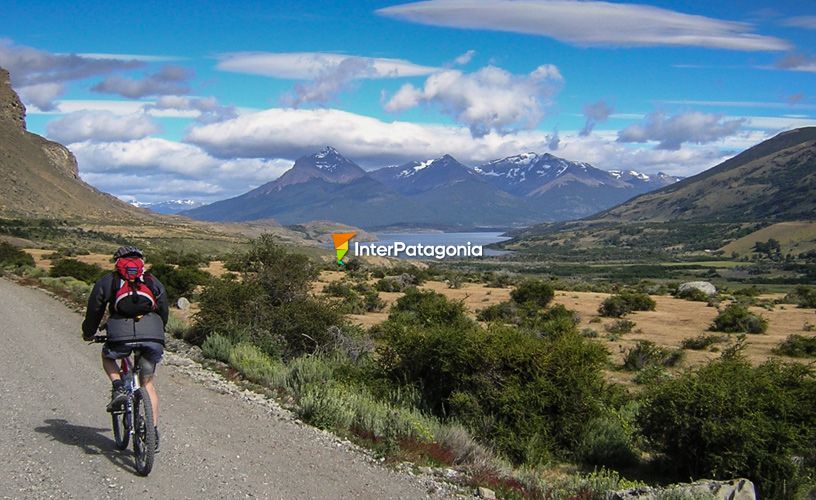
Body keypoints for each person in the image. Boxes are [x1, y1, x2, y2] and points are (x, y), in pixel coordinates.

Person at [82, 245, 168, 452]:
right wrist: (159, 330)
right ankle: (152, 432)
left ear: (116, 262)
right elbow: (163, 307)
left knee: (107, 356)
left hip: (119, 334)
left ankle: (119, 386)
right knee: (148, 384)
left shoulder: (108, 281)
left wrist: (89, 332)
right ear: (141, 261)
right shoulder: (151, 280)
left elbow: (95, 308)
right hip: (152, 334)